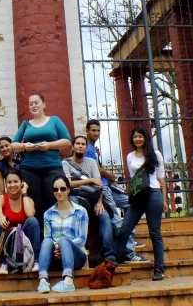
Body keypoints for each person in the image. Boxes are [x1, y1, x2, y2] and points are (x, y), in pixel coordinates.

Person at [86, 120, 145, 262]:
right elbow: (93, 167)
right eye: (93, 130)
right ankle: (129, 253)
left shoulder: (94, 148)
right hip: (102, 187)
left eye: (98, 130)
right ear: (87, 131)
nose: (96, 133)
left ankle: (129, 236)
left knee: (132, 203)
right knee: (116, 219)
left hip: (108, 186)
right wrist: (109, 175)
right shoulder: (87, 148)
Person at [9, 93, 72, 226]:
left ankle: (55, 235)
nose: (33, 106)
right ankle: (39, 238)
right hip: (29, 169)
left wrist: (49, 145)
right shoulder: (25, 124)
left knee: (54, 199)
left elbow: (67, 141)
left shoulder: (55, 120)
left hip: (52, 167)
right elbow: (13, 145)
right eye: (31, 104)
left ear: (44, 104)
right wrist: (24, 146)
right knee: (34, 202)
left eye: (36, 102)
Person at [115, 126, 167, 281]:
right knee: (124, 230)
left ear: (146, 138)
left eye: (140, 136)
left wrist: (164, 200)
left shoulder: (155, 154)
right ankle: (116, 263)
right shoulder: (130, 156)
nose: (137, 139)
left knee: (154, 233)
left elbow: (161, 179)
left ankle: (159, 269)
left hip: (153, 194)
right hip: (137, 197)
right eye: (135, 136)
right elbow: (133, 179)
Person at [63, 136, 117, 266]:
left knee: (104, 216)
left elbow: (99, 185)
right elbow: (68, 184)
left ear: (86, 148)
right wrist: (89, 180)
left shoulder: (91, 162)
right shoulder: (65, 163)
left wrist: (99, 202)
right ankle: (77, 250)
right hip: (76, 197)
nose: (80, 146)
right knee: (75, 209)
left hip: (93, 198)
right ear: (72, 147)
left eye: (83, 144)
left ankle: (110, 256)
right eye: (78, 144)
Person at [36, 175, 88, 294]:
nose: (59, 192)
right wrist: (57, 248)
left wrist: (63, 246)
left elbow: (82, 238)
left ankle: (69, 281)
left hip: (77, 257)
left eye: (63, 189)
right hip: (56, 256)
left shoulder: (80, 211)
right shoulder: (48, 214)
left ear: (68, 189)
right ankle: (43, 281)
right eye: (56, 189)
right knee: (46, 241)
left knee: (64, 240)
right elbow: (48, 237)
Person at [0, 168, 40, 275]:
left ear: (22, 183)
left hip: (23, 242)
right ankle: (3, 263)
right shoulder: (0, 199)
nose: (12, 185)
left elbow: (30, 214)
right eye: (9, 182)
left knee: (33, 221)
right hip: (7, 241)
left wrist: (25, 193)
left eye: (15, 182)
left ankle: (36, 260)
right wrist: (1, 217)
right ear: (5, 184)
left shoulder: (28, 200)